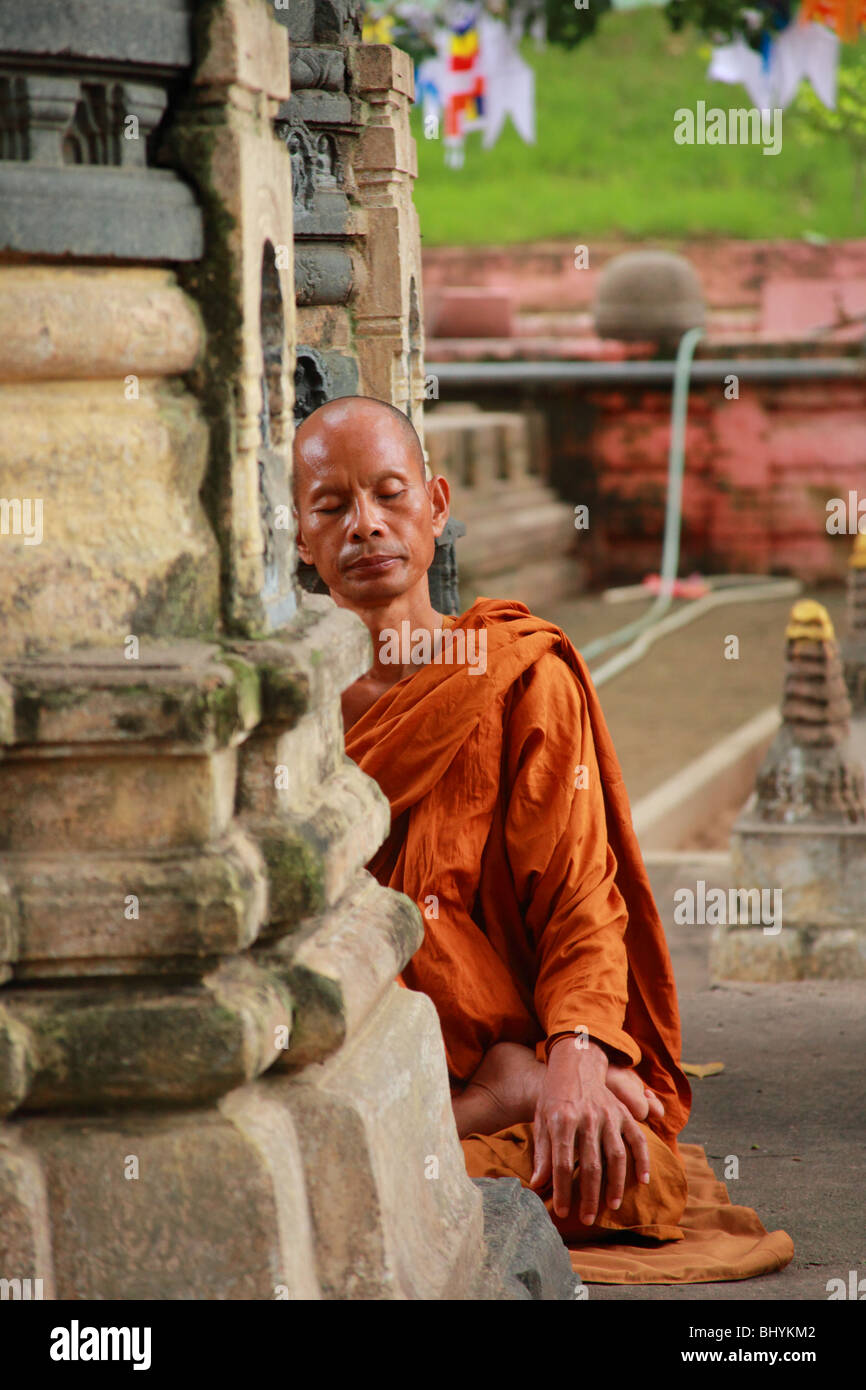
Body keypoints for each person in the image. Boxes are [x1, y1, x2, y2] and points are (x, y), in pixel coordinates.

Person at [291, 393, 693, 1247]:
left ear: (436, 505)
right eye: (331, 507)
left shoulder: (515, 672)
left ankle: (508, 1103)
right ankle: (489, 1107)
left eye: (389, 495)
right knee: (321, 1170)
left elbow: (580, 891)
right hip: (364, 1040)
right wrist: (512, 1097)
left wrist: (581, 1053)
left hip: (504, 1027)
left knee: (631, 1172)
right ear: (300, 535)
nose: (365, 526)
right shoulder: (290, 712)